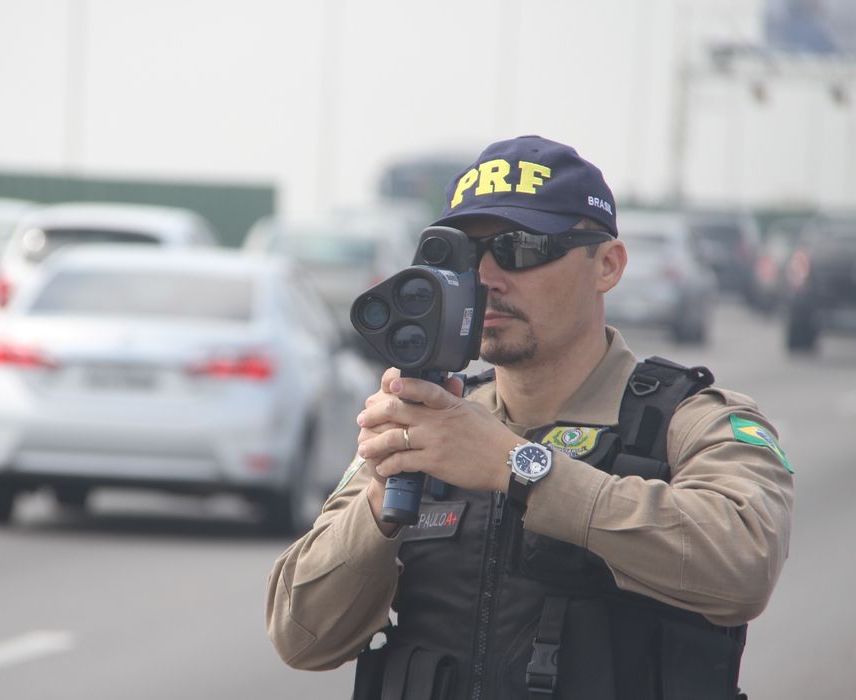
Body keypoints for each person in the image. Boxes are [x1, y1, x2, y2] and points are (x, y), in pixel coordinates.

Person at [265, 135, 794, 699]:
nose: (487, 277)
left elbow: (744, 566)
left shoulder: (691, 422)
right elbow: (302, 637)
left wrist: (520, 467)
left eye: (521, 249)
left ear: (607, 264)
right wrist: (379, 501)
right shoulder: (429, 421)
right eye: (467, 253)